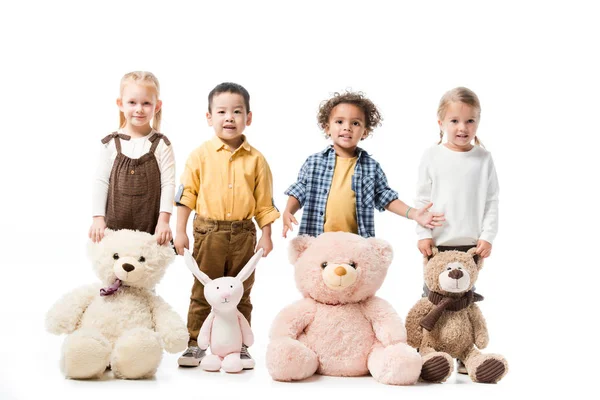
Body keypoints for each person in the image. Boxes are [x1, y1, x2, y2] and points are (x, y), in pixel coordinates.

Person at [174, 82, 280, 368]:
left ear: (249, 117)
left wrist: (266, 235)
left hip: (245, 234)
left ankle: (241, 346)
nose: (229, 118)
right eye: (221, 111)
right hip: (208, 233)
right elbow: (186, 196)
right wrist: (179, 231)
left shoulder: (257, 160)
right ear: (209, 117)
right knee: (202, 291)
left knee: (240, 292)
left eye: (237, 111)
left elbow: (264, 203)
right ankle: (195, 343)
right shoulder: (200, 155)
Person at [414, 87, 500, 374]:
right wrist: (423, 234)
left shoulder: (483, 158)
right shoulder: (432, 156)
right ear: (441, 123)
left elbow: (491, 200)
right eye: (454, 121)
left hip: (470, 245)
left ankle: (465, 354)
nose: (462, 128)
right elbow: (422, 200)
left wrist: (487, 236)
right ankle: (427, 351)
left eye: (470, 121)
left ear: (478, 122)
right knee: (432, 298)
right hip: (437, 244)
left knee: (464, 300)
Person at [282, 91, 444, 239]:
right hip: (317, 241)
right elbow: (299, 190)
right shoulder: (314, 163)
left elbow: (384, 197)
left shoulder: (371, 167)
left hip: (356, 244)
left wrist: (414, 213)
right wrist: (289, 210)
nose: (347, 127)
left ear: (365, 131)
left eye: (355, 123)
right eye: (339, 121)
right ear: (327, 128)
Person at [89, 71, 174, 245]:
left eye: (146, 103)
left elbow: (168, 184)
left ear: (157, 106)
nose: (139, 109)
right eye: (132, 102)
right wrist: (98, 218)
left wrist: (164, 221)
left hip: (150, 230)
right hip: (113, 231)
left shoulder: (162, 145)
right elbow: (101, 181)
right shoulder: (111, 143)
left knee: (147, 269)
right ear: (120, 104)